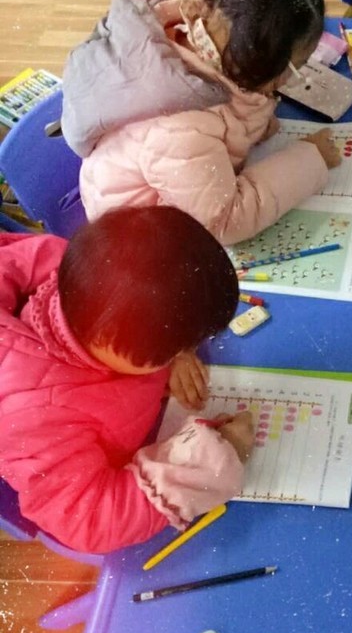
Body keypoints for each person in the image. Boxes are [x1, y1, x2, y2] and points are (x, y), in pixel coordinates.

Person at [0, 205, 256, 554]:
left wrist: (177, 354)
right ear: (110, 338)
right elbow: (90, 519)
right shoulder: (37, 417)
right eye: (171, 348)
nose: (186, 349)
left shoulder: (92, 277)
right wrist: (208, 459)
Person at [61, 0, 340, 246]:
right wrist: (311, 160)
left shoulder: (202, 35)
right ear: (267, 64)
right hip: (137, 242)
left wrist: (255, 124)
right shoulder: (180, 129)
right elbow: (224, 222)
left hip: (182, 195)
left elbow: (227, 111)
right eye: (298, 68)